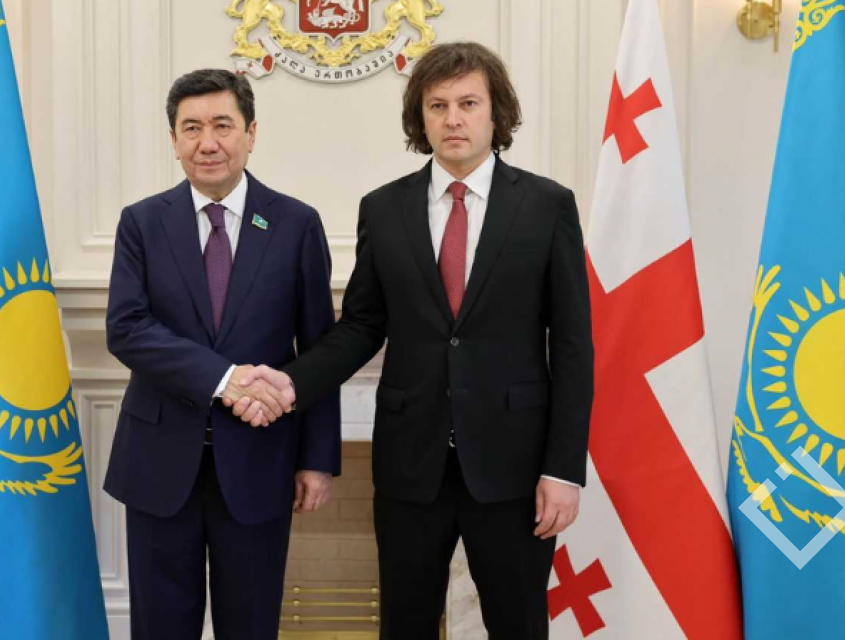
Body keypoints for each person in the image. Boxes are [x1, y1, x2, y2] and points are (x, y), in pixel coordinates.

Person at [227, 42, 594, 639]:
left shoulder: (547, 206)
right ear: (420, 118)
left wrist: (564, 469)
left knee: (519, 625)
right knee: (404, 623)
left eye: (468, 103)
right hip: (410, 464)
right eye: (437, 105)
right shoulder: (384, 208)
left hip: (515, 465)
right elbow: (361, 326)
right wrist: (290, 383)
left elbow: (574, 346)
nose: (453, 119)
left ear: (496, 113)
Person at [104, 69, 341, 640]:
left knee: (251, 625)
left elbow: (319, 349)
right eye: (191, 128)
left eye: (222, 125)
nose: (207, 142)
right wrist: (224, 378)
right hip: (159, 463)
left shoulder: (296, 223)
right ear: (174, 140)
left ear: (251, 133)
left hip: (260, 462)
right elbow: (126, 329)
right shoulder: (142, 223)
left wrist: (317, 458)